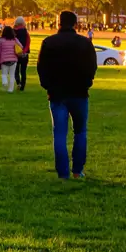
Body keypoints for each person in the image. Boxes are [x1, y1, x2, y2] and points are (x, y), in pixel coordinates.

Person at [36, 10, 97, 180]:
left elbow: (41, 67)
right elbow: (92, 66)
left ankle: (63, 173)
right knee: (80, 132)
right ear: (76, 24)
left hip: (57, 93)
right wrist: (87, 82)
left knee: (60, 133)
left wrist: (47, 85)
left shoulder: (49, 42)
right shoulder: (85, 43)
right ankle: (77, 170)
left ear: (58, 23)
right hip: (79, 92)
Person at [0, 26, 19, 93]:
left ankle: (5, 82)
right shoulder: (15, 39)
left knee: (4, 74)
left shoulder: (1, 40)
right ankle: (10, 90)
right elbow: (21, 46)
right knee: (12, 75)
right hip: (13, 59)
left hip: (4, 60)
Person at [13, 16, 31, 92]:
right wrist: (24, 51)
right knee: (23, 71)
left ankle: (18, 82)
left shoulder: (13, 32)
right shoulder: (26, 32)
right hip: (24, 54)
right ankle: (22, 86)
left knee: (16, 70)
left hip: (15, 54)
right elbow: (28, 42)